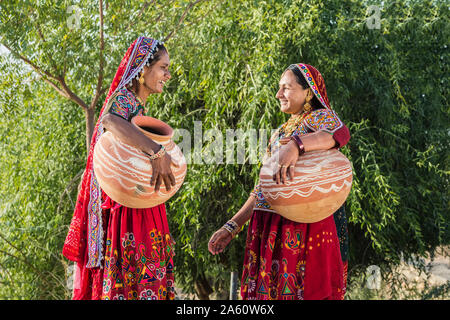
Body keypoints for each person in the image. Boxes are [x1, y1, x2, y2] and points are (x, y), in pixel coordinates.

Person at [208, 63, 351, 300]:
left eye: (286, 88)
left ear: (308, 92)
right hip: (268, 227)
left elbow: (339, 134)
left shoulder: (320, 118)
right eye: (278, 88)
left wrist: (297, 145)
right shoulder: (279, 132)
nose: (279, 94)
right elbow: (262, 188)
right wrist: (231, 226)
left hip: (301, 226)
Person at [62, 36, 177, 300]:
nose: (168, 75)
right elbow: (109, 120)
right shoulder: (124, 100)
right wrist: (157, 151)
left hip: (134, 202)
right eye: (163, 67)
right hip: (126, 209)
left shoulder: (136, 105)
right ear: (142, 69)